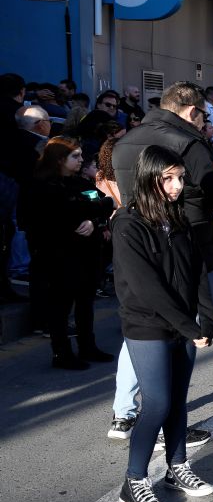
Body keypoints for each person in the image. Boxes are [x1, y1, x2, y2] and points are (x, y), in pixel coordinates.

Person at [111, 146, 213, 502]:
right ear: (148, 177)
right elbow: (147, 287)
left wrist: (207, 316)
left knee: (177, 400)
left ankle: (177, 467)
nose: (176, 186)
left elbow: (197, 269)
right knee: (156, 402)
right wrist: (189, 326)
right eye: (168, 178)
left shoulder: (178, 216)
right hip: (147, 325)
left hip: (182, 323)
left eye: (180, 177)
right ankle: (134, 480)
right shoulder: (128, 224)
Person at [21, 137, 114, 368]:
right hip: (57, 257)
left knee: (85, 302)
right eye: (75, 156)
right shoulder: (40, 186)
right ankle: (61, 353)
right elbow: (56, 215)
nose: (81, 160)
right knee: (60, 307)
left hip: (86, 255)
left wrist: (93, 220)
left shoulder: (79, 183)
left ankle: (87, 346)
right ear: (59, 158)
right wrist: (89, 211)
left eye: (81, 156)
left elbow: (106, 202)